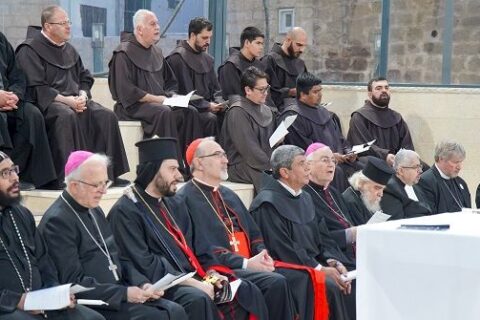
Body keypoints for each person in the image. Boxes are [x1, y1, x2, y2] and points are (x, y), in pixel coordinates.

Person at [108, 137, 268, 320]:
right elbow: (145, 263)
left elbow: (196, 246)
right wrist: (194, 283)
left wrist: (211, 273)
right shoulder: (126, 211)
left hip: (187, 276)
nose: (179, 176)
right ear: (153, 170)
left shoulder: (172, 203)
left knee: (242, 290)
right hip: (155, 285)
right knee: (198, 299)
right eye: (172, 169)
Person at [38, 151, 187, 319]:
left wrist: (142, 283)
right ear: (74, 186)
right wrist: (124, 294)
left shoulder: (95, 209)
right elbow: (73, 282)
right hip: (95, 302)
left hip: (116, 293)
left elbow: (118, 258)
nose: (103, 192)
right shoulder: (57, 221)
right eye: (96, 185)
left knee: (175, 310)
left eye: (105, 183)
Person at [179, 137, 303, 319]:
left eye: (224, 155)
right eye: (218, 155)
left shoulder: (228, 194)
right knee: (275, 282)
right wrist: (246, 264)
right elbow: (204, 249)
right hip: (218, 269)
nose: (225, 160)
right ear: (199, 163)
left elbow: (254, 233)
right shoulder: (185, 199)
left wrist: (262, 255)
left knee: (298, 277)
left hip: (249, 263)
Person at [16, 5, 129, 189]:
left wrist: (83, 95)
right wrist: (67, 101)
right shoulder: (29, 50)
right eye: (63, 23)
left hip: (76, 100)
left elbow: (84, 77)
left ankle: (107, 175)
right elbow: (36, 87)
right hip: (49, 104)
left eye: (68, 22)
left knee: (106, 116)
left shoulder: (69, 49)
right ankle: (67, 177)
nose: (68, 26)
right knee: (66, 116)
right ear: (48, 26)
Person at [250, 145, 355, 320]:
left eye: (307, 163)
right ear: (285, 172)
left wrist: (332, 261)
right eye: (301, 164)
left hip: (311, 262)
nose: (308, 168)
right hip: (288, 268)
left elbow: (322, 238)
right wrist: (320, 269)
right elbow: (283, 249)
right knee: (331, 285)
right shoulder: (267, 204)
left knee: (345, 278)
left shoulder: (305, 197)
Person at [0, 151, 104, 320]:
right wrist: (16, 301)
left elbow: (44, 261)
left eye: (14, 170)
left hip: (39, 302)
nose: (15, 178)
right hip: (7, 308)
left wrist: (55, 294)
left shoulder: (21, 214)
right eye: (5, 173)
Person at [108, 9, 202, 167]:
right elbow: (126, 90)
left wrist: (172, 97)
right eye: (152, 24)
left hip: (159, 103)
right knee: (163, 112)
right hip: (132, 106)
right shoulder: (123, 53)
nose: (157, 27)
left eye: (157, 23)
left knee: (190, 111)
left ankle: (191, 165)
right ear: (139, 29)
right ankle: (168, 166)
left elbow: (170, 82)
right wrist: (157, 99)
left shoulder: (157, 52)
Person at [281, 72, 361, 191]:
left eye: (320, 91)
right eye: (315, 92)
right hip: (314, 165)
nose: (320, 95)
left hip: (337, 161)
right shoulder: (293, 115)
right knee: (337, 172)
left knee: (364, 168)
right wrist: (330, 157)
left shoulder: (324, 112)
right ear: (303, 94)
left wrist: (348, 152)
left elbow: (340, 139)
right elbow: (302, 148)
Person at [0, 32, 56, 190]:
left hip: (8, 101)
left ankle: (28, 176)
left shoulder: (1, 40)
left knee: (32, 114)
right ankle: (3, 177)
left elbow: (17, 75)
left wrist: (15, 96)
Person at [220, 66, 275, 193]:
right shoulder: (238, 111)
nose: (265, 93)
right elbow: (249, 148)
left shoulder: (267, 110)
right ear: (248, 90)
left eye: (267, 88)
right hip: (240, 165)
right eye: (261, 89)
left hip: (263, 162)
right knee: (268, 180)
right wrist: (271, 166)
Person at [166, 17, 224, 137]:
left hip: (207, 106)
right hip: (188, 109)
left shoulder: (208, 59)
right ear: (193, 35)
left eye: (209, 38)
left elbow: (216, 89)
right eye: (204, 38)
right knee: (210, 119)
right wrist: (207, 106)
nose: (208, 42)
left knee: (229, 114)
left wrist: (219, 103)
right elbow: (185, 92)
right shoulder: (177, 58)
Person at [303, 143, 358, 262]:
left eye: (333, 160)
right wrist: (349, 235)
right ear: (308, 165)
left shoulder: (334, 192)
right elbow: (315, 239)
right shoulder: (304, 196)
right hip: (332, 258)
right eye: (325, 160)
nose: (331, 164)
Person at [346, 77, 415, 167]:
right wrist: (385, 155)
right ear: (370, 94)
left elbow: (407, 145)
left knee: (423, 168)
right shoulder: (359, 117)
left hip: (396, 162)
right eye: (378, 88)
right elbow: (363, 146)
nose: (384, 91)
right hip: (369, 162)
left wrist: (405, 159)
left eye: (386, 88)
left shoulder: (396, 117)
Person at [417, 140, 471, 214]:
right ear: (441, 159)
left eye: (461, 162)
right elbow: (429, 215)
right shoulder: (425, 181)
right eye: (455, 162)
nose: (459, 167)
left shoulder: (461, 183)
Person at [262, 27, 307, 111]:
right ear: (288, 40)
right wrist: (289, 92)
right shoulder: (270, 60)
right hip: (278, 112)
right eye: (299, 45)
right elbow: (264, 92)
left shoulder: (300, 64)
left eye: (304, 46)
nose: (302, 50)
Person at [342, 156, 394, 226]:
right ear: (361, 183)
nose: (381, 194)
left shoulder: (364, 198)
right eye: (377, 188)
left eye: (382, 189)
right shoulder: (350, 202)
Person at [380, 149, 432, 219]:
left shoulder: (416, 185)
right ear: (401, 171)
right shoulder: (390, 189)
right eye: (416, 167)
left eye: (420, 167)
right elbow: (397, 222)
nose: (420, 171)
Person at [217, 26, 266, 101]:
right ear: (246, 43)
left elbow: (266, 94)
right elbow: (234, 97)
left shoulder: (260, 65)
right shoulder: (230, 66)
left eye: (262, 44)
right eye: (258, 43)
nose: (261, 47)